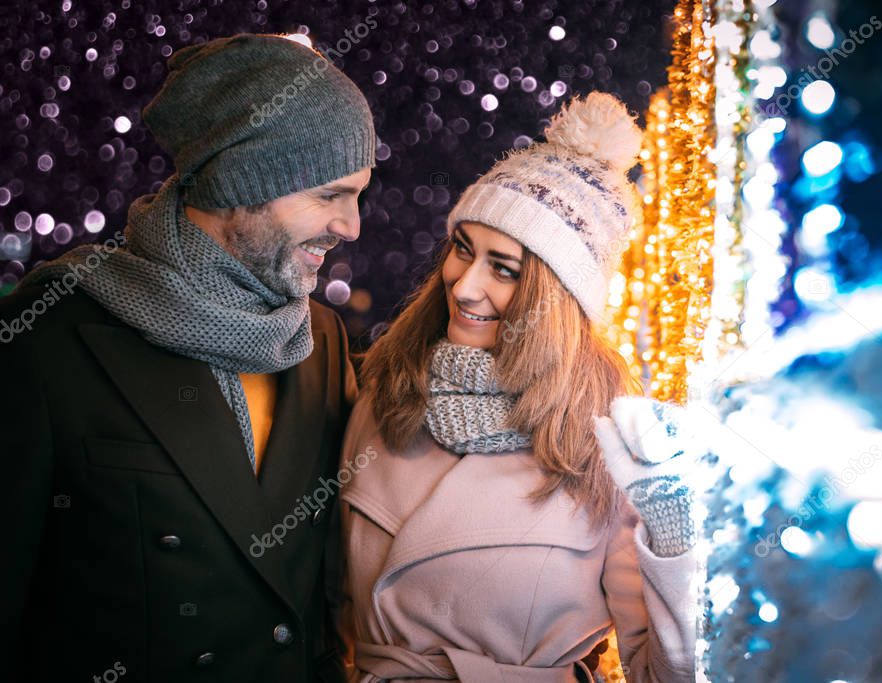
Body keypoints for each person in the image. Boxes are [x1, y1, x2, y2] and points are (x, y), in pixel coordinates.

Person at [0, 34, 374, 681]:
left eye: (360, 194)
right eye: (329, 195)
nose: (352, 226)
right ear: (241, 181)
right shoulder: (49, 340)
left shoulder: (321, 341)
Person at [336, 92, 699, 682]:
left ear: (556, 300)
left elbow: (664, 676)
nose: (464, 286)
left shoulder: (608, 450)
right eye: (462, 250)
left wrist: (675, 548)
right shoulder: (384, 395)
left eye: (504, 269)